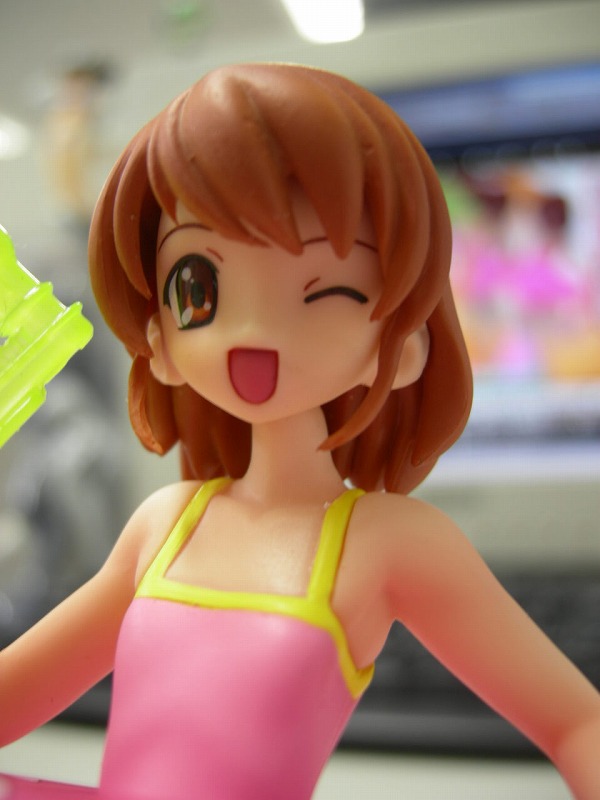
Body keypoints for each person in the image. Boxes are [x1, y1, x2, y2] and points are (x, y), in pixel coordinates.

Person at [1, 63, 598, 800]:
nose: (253, 334)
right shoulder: (164, 525)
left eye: (329, 291)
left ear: (401, 346)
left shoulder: (388, 542)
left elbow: (577, 722)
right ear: (160, 339)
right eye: (199, 288)